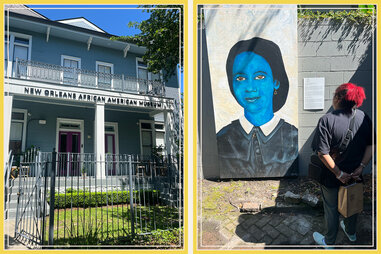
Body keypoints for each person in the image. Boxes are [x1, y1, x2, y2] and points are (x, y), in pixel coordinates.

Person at [217, 37, 298, 178]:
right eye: (241, 78)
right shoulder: (222, 139)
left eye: (259, 77)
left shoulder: (294, 137)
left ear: (276, 82)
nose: (250, 88)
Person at [311, 83, 373, 248]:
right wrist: (361, 166)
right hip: (355, 174)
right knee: (352, 204)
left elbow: (322, 153)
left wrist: (339, 173)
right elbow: (372, 145)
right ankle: (351, 233)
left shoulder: (327, 120)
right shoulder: (364, 117)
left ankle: (329, 241)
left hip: (332, 176)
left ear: (338, 98)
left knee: (331, 208)